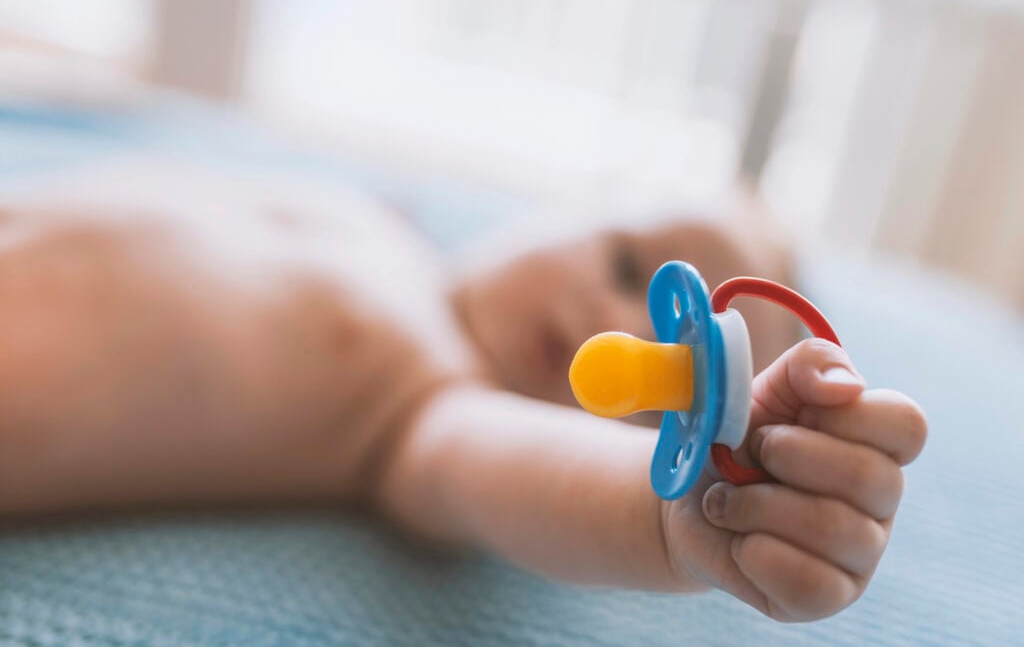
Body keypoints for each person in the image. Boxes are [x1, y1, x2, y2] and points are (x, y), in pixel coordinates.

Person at [0, 174, 926, 622]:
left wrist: (685, 520)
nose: (616, 324)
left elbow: (528, 478)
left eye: (669, 379)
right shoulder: (375, 227)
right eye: (626, 265)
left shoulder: (433, 402)